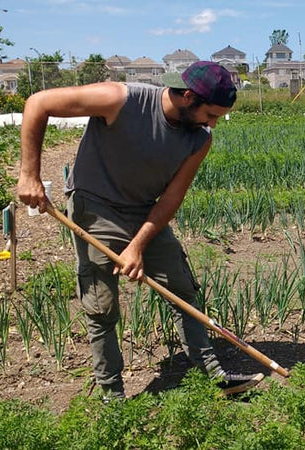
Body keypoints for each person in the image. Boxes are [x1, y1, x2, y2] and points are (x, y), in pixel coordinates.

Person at [17, 61, 263, 400]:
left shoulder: (199, 139)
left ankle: (214, 376)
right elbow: (38, 103)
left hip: (145, 211)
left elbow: (172, 197)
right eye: (211, 114)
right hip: (96, 206)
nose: (213, 123)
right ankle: (113, 397)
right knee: (101, 305)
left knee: (182, 290)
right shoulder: (121, 99)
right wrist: (29, 174)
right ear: (188, 96)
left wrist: (137, 245)